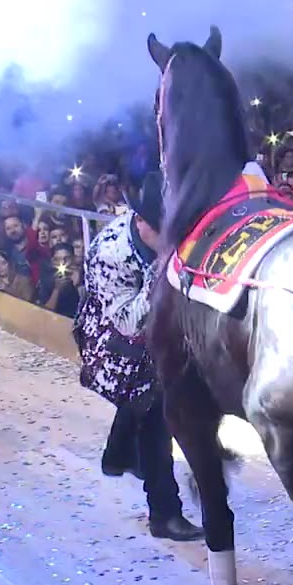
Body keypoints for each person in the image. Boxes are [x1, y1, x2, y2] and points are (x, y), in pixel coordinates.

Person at [73, 171, 202, 542]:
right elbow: (128, 323)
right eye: (167, 233)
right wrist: (161, 273)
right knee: (154, 409)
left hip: (155, 333)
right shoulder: (110, 254)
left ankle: (117, 456)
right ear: (142, 223)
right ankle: (164, 513)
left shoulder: (168, 234)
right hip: (113, 341)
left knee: (149, 402)